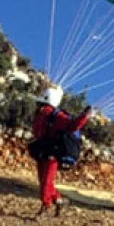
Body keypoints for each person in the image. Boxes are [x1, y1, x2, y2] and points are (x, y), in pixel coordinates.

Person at [30, 86, 90, 218]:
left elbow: (72, 125)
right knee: (44, 181)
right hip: (43, 151)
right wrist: (84, 116)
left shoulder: (56, 116)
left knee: (46, 181)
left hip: (52, 153)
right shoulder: (42, 114)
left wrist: (84, 116)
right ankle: (58, 200)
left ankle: (45, 207)